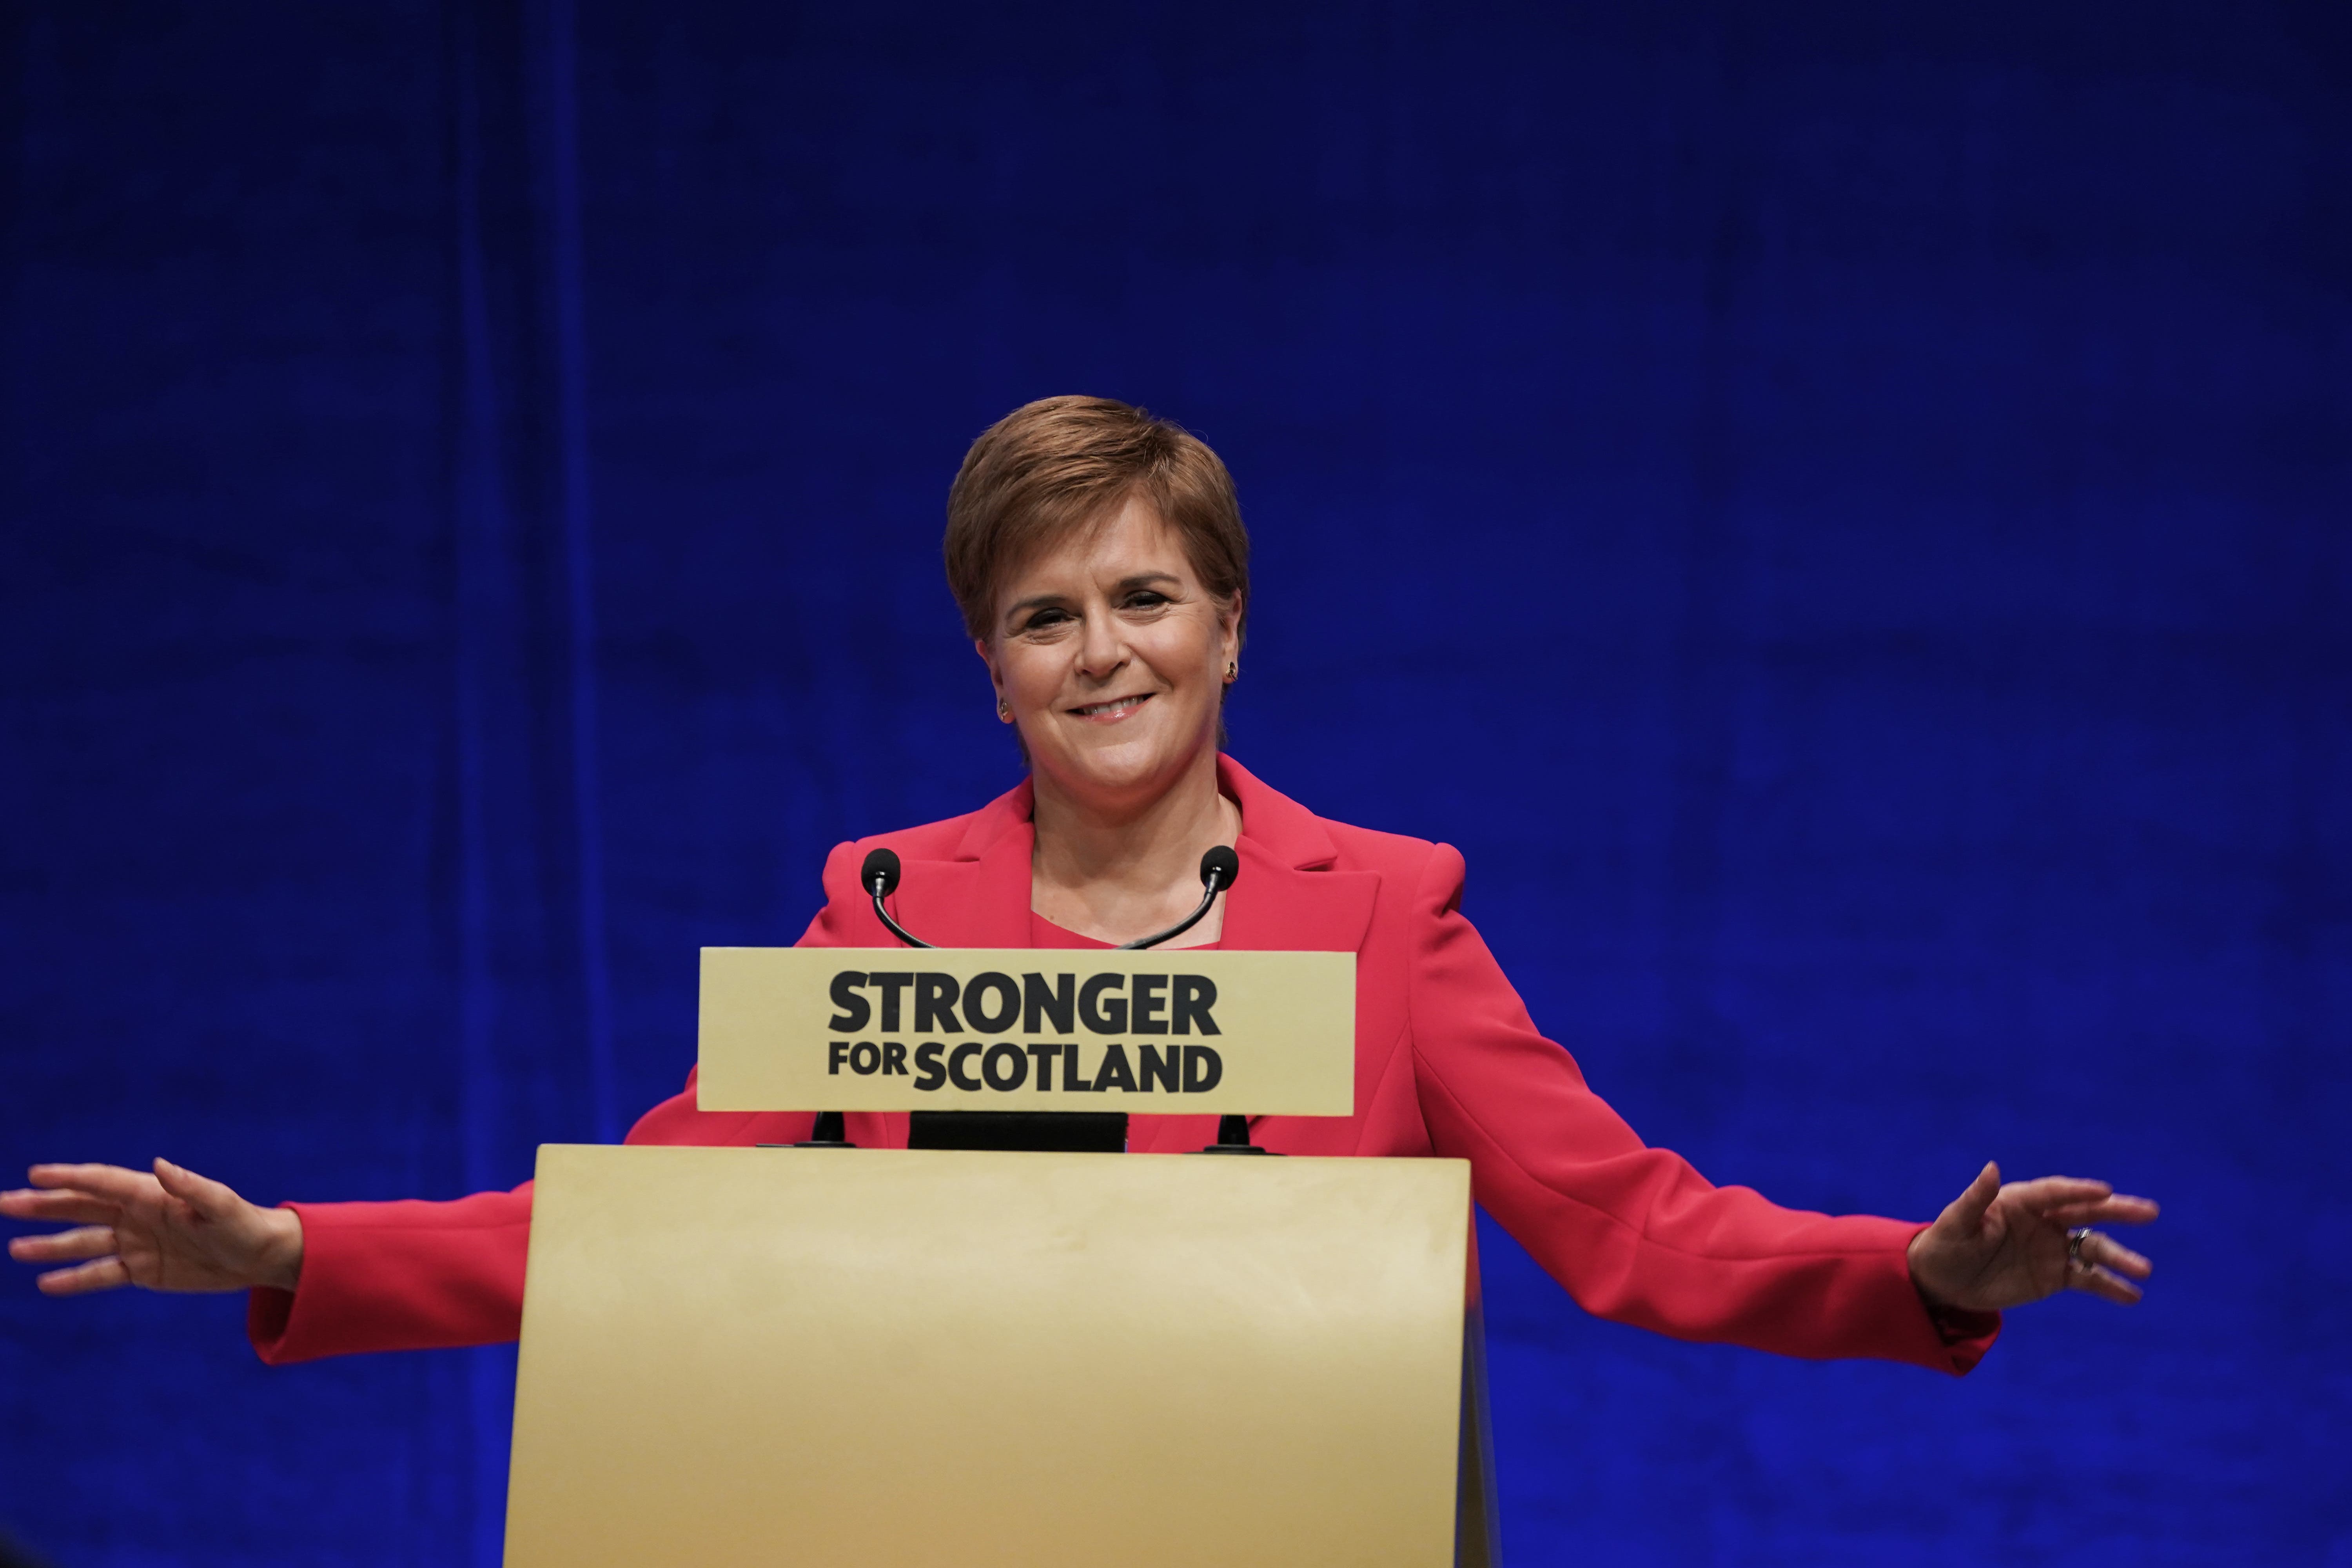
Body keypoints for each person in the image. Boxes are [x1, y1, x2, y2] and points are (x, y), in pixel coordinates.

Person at [5, 396, 2155, 1371]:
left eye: (1146, 598)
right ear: (990, 667)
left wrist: (1931, 1277)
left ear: (1229, 629)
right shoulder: (881, 913)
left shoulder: (1385, 910)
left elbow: (1629, 1228)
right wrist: (296, 1246)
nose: (1102, 652)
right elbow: (654, 1221)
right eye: (1047, 617)